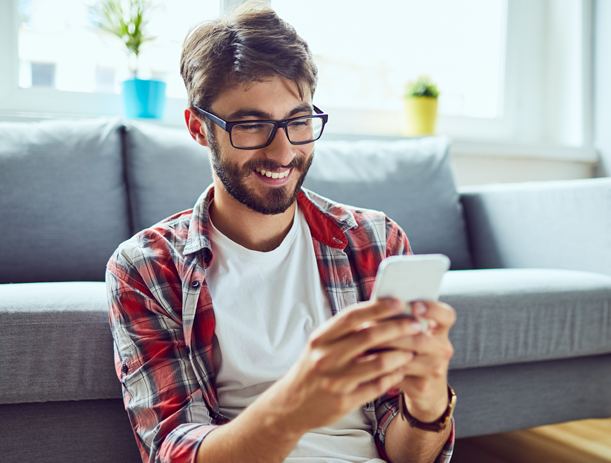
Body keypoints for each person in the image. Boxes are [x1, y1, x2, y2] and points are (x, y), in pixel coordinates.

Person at [105, 3, 457, 462]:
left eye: (298, 120)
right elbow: (173, 450)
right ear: (197, 128)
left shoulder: (376, 242)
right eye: (251, 125)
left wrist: (428, 404)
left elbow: (411, 454)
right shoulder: (147, 268)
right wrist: (296, 405)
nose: (283, 150)